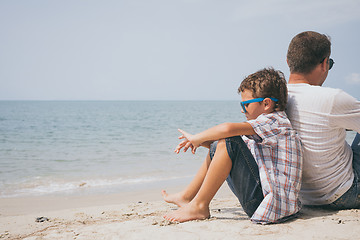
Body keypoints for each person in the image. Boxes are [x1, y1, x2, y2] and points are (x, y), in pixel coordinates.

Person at [162, 68, 303, 224]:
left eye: (246, 105)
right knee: (221, 144)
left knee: (229, 139)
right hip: (264, 202)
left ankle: (199, 206)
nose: (242, 110)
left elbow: (227, 129)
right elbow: (229, 154)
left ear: (266, 104)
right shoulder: (264, 128)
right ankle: (187, 197)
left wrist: (197, 137)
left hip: (270, 205)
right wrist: (202, 143)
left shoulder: (275, 122)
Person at [285, 31, 360, 208]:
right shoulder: (333, 98)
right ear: (325, 64)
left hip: (300, 197)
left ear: (288, 62)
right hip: (343, 194)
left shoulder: (275, 98)